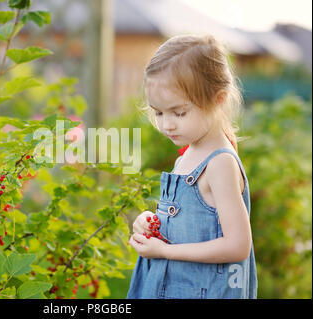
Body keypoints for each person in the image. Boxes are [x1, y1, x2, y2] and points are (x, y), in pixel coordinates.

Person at [126, 34, 258, 299]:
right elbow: (186, 223)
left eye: (179, 112)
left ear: (218, 100)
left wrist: (165, 252)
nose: (167, 125)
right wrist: (150, 223)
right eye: (159, 112)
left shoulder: (220, 163)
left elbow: (238, 245)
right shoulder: (186, 157)